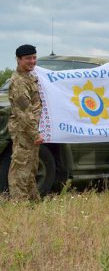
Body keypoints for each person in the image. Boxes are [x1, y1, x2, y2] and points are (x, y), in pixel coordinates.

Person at [7, 44, 43, 201]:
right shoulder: (19, 82)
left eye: (34, 58)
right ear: (19, 59)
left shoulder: (30, 77)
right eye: (28, 58)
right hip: (24, 131)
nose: (32, 61)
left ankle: (33, 201)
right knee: (21, 168)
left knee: (31, 167)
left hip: (30, 131)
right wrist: (35, 133)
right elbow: (25, 112)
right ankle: (19, 204)